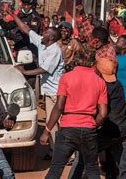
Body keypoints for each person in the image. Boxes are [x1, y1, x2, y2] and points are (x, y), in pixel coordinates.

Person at [39, 48, 108, 179]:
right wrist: (93, 124)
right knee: (92, 168)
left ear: (76, 59)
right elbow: (103, 113)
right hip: (88, 129)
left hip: (68, 128)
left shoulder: (66, 78)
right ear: (94, 62)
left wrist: (47, 130)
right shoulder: (100, 82)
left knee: (55, 169)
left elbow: (59, 107)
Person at [9, 10, 64, 158]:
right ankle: (55, 151)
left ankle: (62, 153)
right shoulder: (42, 43)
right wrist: (13, 15)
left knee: (55, 122)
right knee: (51, 122)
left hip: (56, 91)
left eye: (46, 33)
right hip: (48, 90)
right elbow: (26, 29)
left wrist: (24, 72)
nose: (43, 34)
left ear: (51, 38)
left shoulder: (55, 51)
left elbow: (43, 69)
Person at [71, 57, 126, 179]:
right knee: (118, 158)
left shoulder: (101, 86)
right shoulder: (117, 84)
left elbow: (99, 112)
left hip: (108, 130)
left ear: (98, 72)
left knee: (82, 156)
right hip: (123, 128)